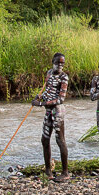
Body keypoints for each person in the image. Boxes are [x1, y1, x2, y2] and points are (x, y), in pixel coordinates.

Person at [33, 53, 69, 181]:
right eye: (58, 63)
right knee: (44, 139)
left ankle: (65, 172)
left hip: (57, 112)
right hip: (48, 112)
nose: (60, 65)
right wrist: (40, 97)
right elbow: (48, 91)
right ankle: (48, 171)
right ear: (52, 62)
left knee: (60, 140)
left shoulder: (64, 77)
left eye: (62, 63)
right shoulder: (49, 73)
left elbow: (60, 99)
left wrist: (41, 103)